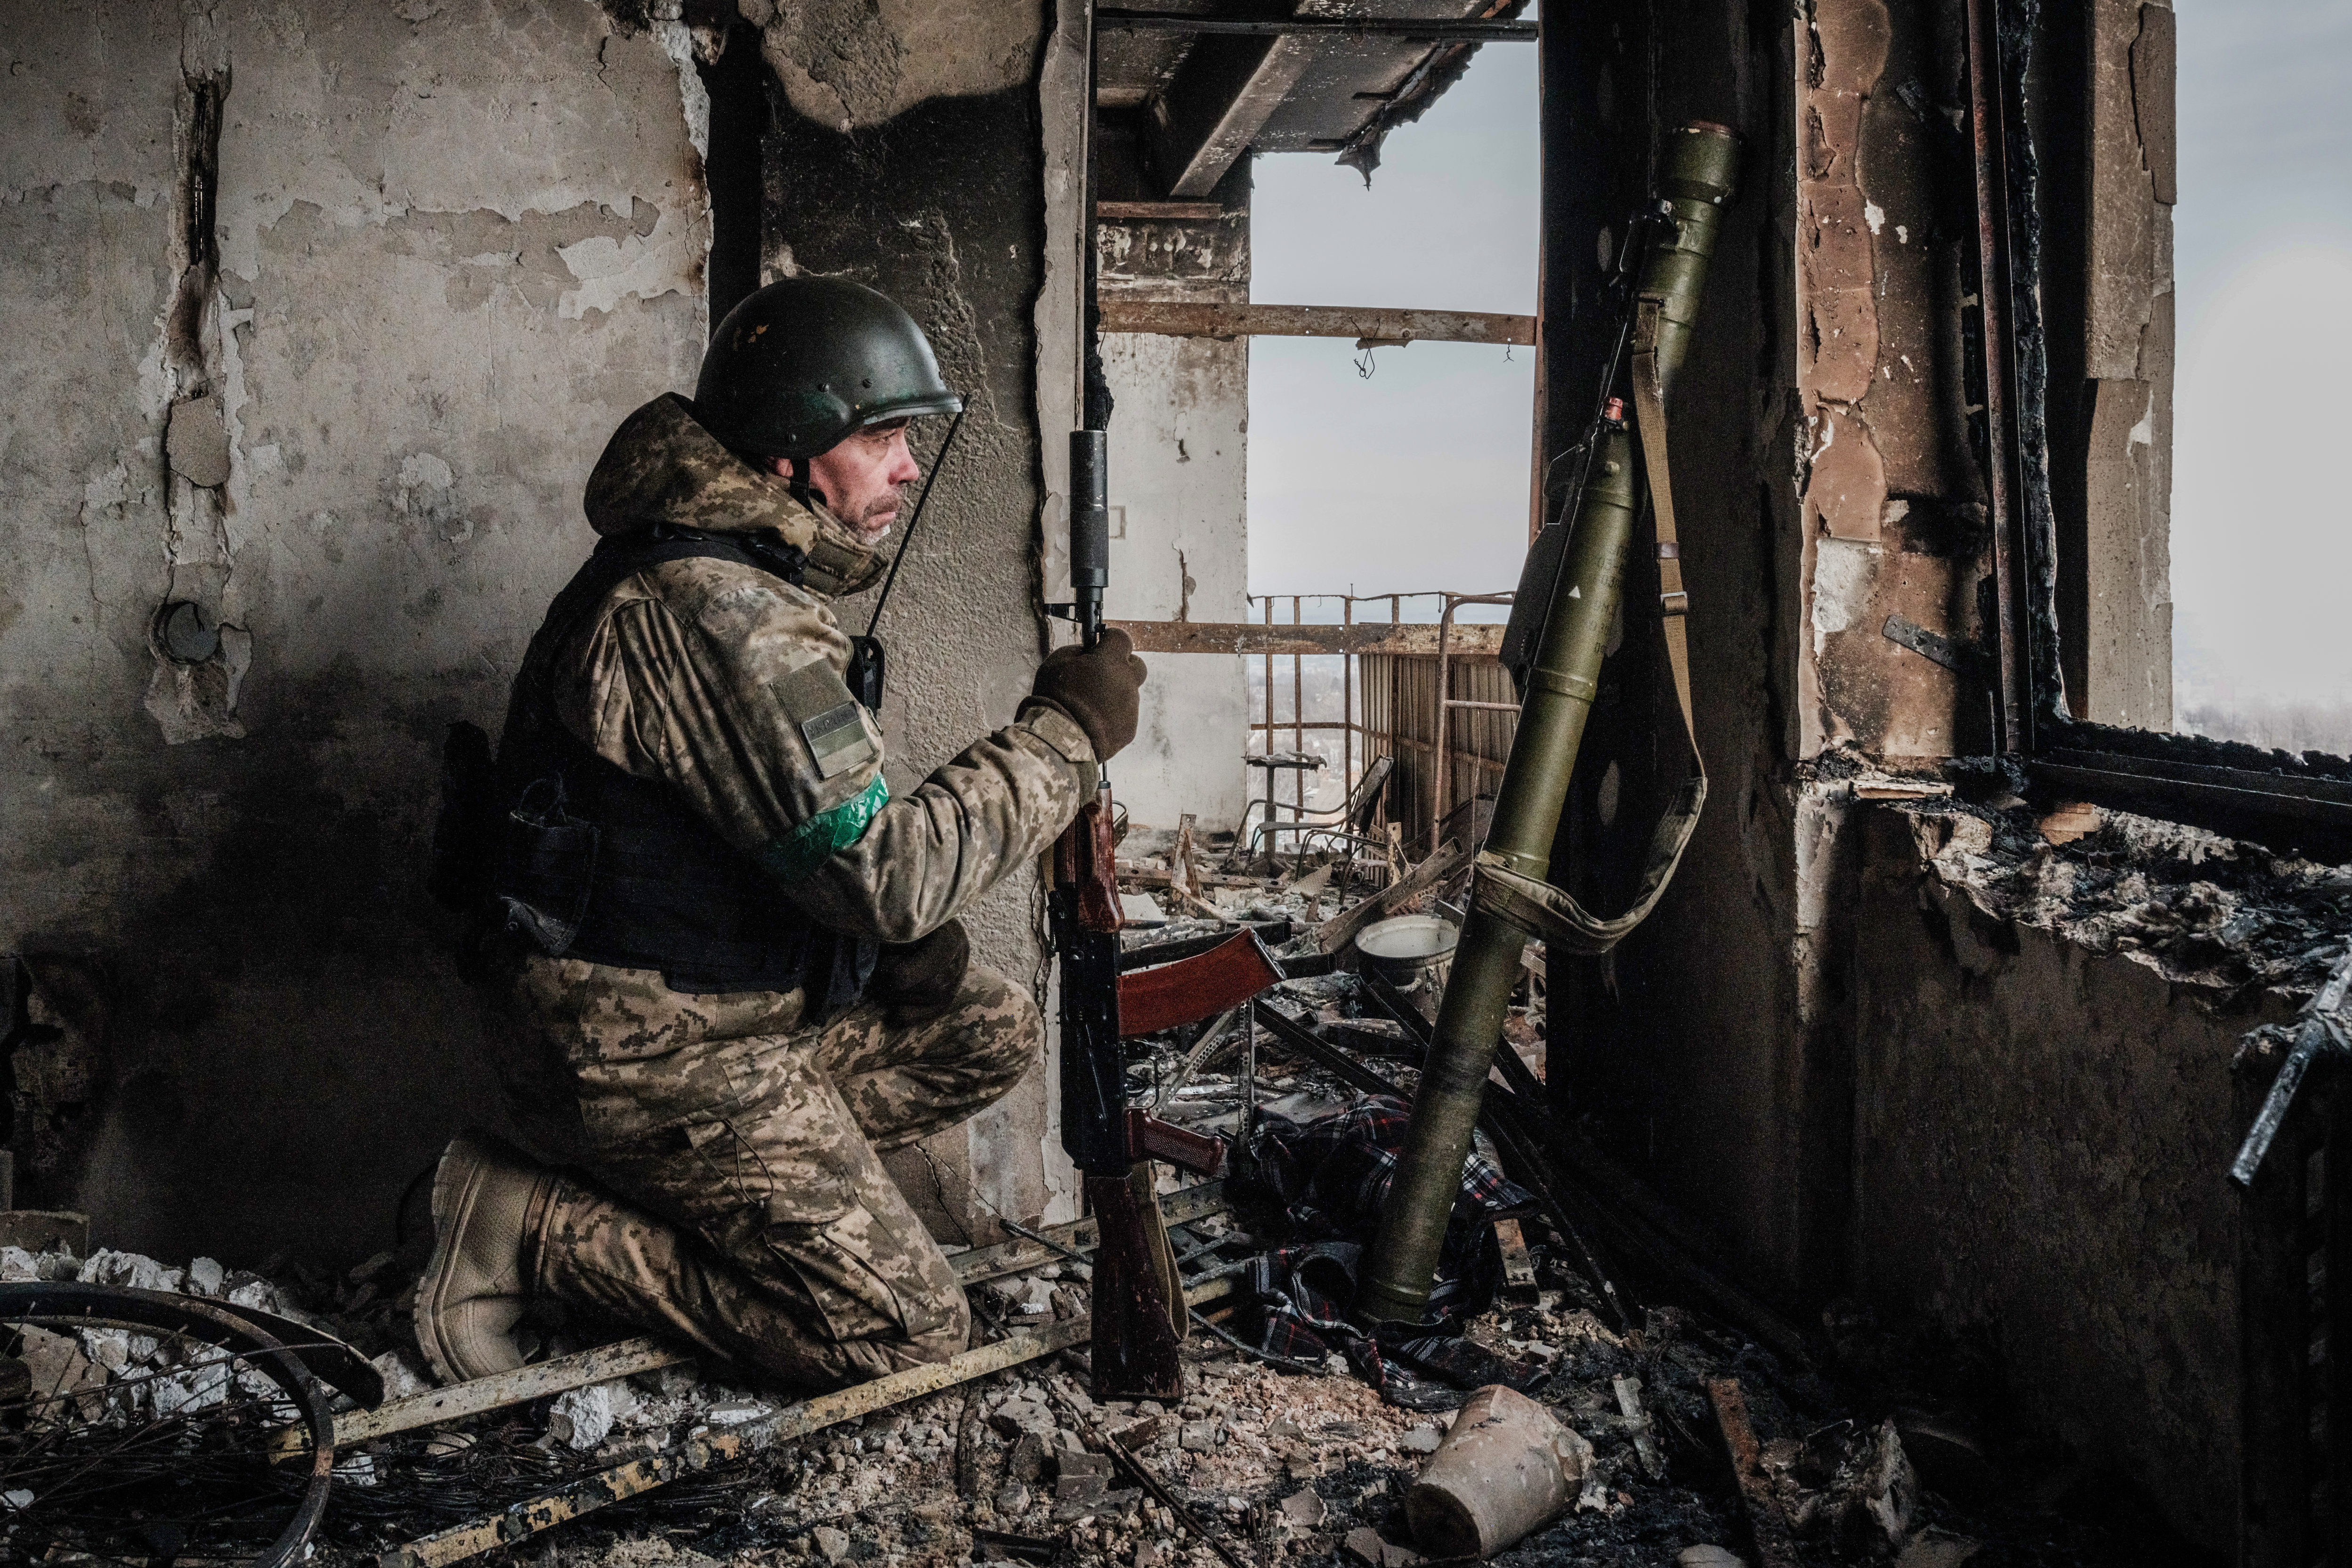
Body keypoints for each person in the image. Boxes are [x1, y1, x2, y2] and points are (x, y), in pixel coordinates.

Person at [413, 277, 1146, 1392]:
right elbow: (887, 878)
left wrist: (866, 948)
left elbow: (763, 838)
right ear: (790, 451)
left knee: (986, 1027)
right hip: (648, 1051)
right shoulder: (716, 612)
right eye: (882, 437)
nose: (907, 467)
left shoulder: (729, 582)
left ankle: (749, 1197)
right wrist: (1064, 739)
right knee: (903, 1334)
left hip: (715, 1013)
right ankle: (534, 1225)